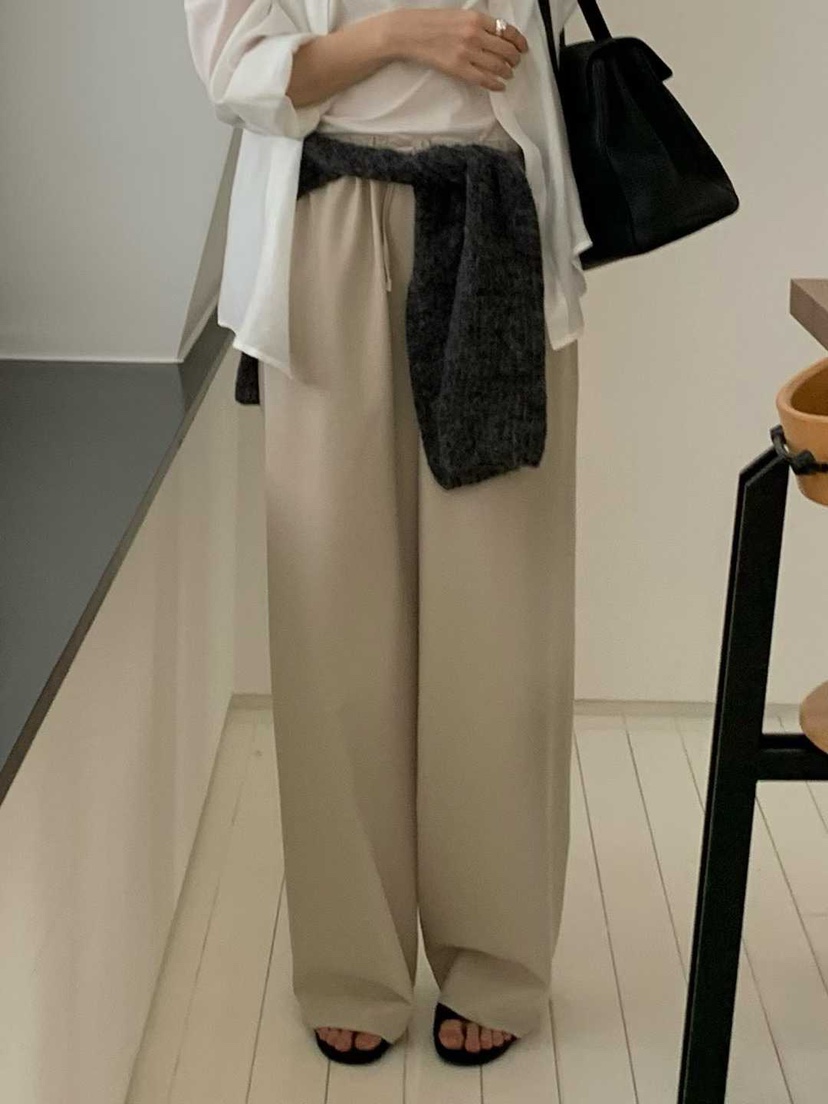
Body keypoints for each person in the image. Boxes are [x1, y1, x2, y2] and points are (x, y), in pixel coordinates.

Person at [184, 0, 592, 1069]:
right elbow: (235, 68)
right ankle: (351, 962)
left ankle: (496, 957)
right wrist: (401, 35)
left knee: (500, 624)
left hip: (497, 211)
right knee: (332, 614)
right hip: (328, 220)